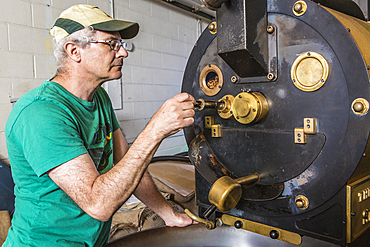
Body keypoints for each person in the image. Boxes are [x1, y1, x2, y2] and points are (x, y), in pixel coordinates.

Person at [3, 4, 196, 247]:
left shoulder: (99, 98)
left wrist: (169, 216)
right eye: (111, 44)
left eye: (121, 44)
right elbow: (98, 204)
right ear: (74, 51)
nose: (123, 53)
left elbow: (127, 164)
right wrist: (156, 129)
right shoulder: (41, 112)